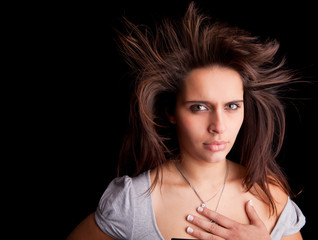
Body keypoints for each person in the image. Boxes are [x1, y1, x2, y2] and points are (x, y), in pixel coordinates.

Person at [66, 2, 305, 240]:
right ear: (171, 112)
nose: (218, 126)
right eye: (199, 107)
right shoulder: (136, 202)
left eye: (232, 106)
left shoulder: (269, 196)